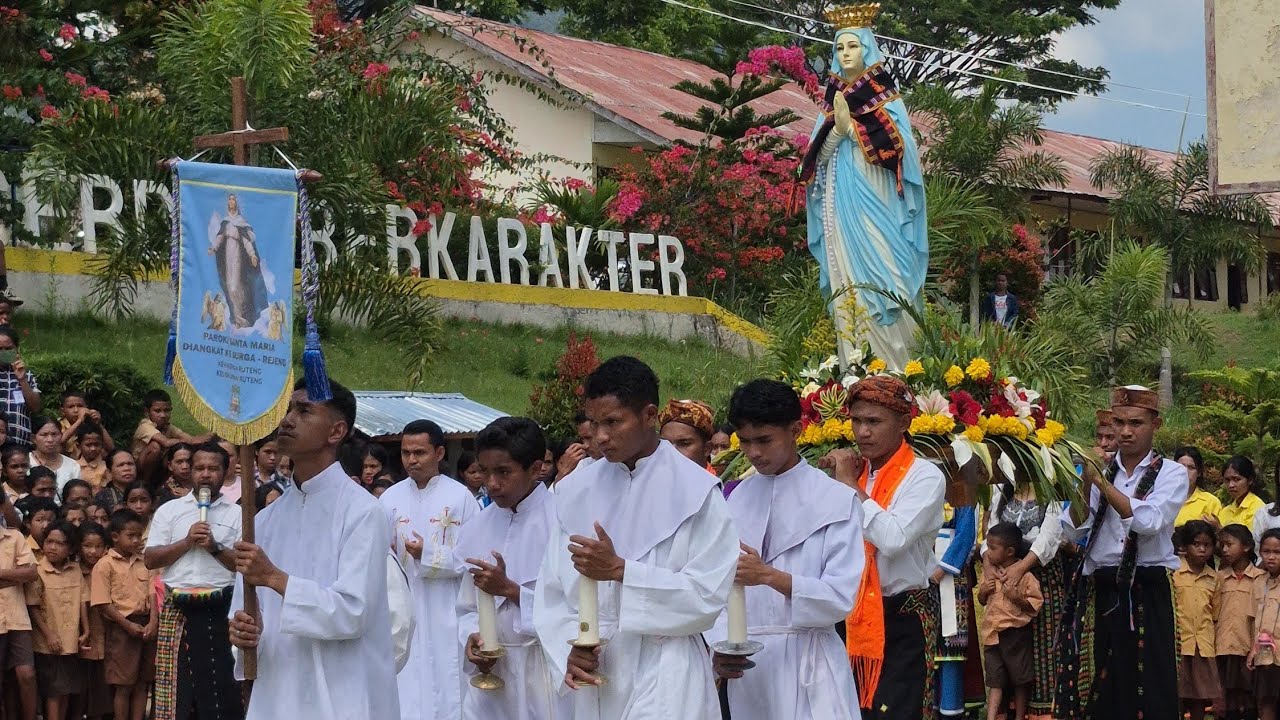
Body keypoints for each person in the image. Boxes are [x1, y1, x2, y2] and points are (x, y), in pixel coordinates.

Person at [533, 356, 738, 719]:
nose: (600, 437)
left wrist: (622, 571)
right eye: (594, 423)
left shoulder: (697, 492)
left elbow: (707, 596)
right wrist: (568, 646)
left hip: (666, 669)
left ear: (648, 415)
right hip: (597, 669)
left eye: (613, 422)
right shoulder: (575, 491)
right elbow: (552, 590)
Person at [228, 379, 399, 719]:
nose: (288, 420)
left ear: (336, 431)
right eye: (288, 409)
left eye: (304, 411)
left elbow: (353, 612)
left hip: (343, 688)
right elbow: (244, 611)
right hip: (279, 686)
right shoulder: (263, 520)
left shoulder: (363, 512)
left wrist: (276, 579)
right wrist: (244, 631)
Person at [708, 379, 862, 719]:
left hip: (810, 661)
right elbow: (714, 586)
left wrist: (770, 576)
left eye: (764, 440)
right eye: (745, 441)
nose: (754, 453)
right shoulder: (734, 499)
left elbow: (840, 596)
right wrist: (720, 645)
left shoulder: (835, 500)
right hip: (749, 668)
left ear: (795, 429)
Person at [800, 6, 927, 371]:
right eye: (839, 49)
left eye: (852, 47)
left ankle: (898, 372)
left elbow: (902, 157)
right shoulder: (832, 103)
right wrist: (838, 129)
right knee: (849, 285)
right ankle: (852, 371)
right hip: (842, 209)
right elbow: (814, 161)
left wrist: (852, 130)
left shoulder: (889, 101)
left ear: (868, 50)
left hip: (882, 206)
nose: (845, 55)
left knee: (888, 279)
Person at [1057, 385, 1189, 720]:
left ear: (1155, 424)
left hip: (1147, 587)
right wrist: (1086, 483)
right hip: (1102, 587)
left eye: (1136, 423)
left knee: (1150, 681)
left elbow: (1149, 521)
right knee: (1100, 681)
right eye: (1119, 422)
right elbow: (1073, 528)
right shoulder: (1096, 470)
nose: (1126, 431)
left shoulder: (1171, 472)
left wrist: (1101, 483)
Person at [821, 375, 946, 720]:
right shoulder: (857, 473)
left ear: (904, 423)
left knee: (895, 712)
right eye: (857, 421)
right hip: (851, 613)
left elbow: (892, 539)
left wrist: (847, 485)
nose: (862, 432)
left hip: (902, 617)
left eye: (874, 422)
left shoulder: (924, 476)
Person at [453, 417, 565, 720]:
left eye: (503, 472)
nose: (491, 484)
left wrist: (510, 590)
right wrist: (473, 638)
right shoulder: (477, 526)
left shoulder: (562, 522)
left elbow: (577, 609)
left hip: (543, 669)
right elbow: (466, 607)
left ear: (536, 468)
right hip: (491, 675)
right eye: (485, 471)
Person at [378, 418, 479, 720]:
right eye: (406, 452)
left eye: (419, 452)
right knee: (406, 682)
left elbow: (473, 558)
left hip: (446, 606)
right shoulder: (388, 499)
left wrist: (429, 555)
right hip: (402, 604)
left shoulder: (461, 497)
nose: (411, 460)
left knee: (445, 679)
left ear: (438, 453)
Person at [143, 441, 243, 720]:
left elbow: (244, 565)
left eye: (213, 468)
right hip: (178, 607)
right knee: (175, 688)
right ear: (189, 472)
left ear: (226, 472)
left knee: (221, 685)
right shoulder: (170, 511)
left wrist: (215, 547)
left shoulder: (237, 514)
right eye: (199, 468)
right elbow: (151, 559)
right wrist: (187, 542)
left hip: (222, 607)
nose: (205, 474)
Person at [981, 472, 1065, 720]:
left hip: (1041, 578)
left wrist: (1020, 567)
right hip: (1004, 575)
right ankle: (1003, 712)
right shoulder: (1004, 487)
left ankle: (1039, 713)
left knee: (1041, 647)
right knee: (1003, 644)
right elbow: (991, 530)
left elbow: (1050, 535)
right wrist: (988, 562)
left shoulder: (1053, 491)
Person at [91, 509, 156, 720]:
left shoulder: (145, 561)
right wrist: (128, 626)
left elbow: (154, 593)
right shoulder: (104, 565)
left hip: (146, 625)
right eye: (131, 535)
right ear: (115, 536)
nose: (137, 540)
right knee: (123, 684)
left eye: (140, 535)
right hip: (121, 628)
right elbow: (103, 603)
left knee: (142, 682)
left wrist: (153, 622)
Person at [978, 522, 1042, 720]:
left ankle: (1020, 716)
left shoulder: (1025, 576)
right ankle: (991, 716)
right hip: (992, 634)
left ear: (1010, 551)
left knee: (1020, 679)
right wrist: (984, 591)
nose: (987, 552)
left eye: (993, 548)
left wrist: (1016, 597)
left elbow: (1034, 605)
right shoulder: (990, 573)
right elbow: (981, 600)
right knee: (995, 680)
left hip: (1015, 634)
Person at [26, 521, 88, 720]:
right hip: (48, 644)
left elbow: (82, 601)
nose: (52, 547)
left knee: (66, 689)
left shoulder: (75, 570)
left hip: (70, 641)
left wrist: (86, 630)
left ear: (70, 548)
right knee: (54, 691)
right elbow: (33, 606)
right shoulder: (38, 571)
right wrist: (49, 634)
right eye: (49, 541)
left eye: (59, 543)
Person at [933, 500, 979, 719]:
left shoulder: (962, 492)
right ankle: (929, 707)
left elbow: (966, 532)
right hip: (922, 570)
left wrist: (942, 570)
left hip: (951, 575)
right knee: (927, 643)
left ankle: (950, 710)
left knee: (950, 647)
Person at [1174, 520, 1221, 720]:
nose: (1202, 549)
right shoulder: (1174, 572)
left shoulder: (1214, 578)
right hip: (1178, 642)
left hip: (1202, 645)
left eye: (1207, 545)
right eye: (1196, 544)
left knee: (1200, 696)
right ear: (1185, 546)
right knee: (1176, 692)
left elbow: (1215, 614)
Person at [1218, 523, 1262, 719]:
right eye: (1222, 545)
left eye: (1229, 544)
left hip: (1250, 646)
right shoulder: (1218, 578)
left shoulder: (1261, 578)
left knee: (1251, 695)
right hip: (1225, 645)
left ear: (1246, 547)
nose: (1224, 550)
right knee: (1230, 695)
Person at [0, 504, 38, 720]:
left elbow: (31, 573)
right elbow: (22, 573)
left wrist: (2, 574)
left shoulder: (14, 537)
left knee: (27, 675)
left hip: (17, 616)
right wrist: (14, 576)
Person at [78, 521, 111, 720]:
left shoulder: (108, 568)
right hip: (82, 635)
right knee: (83, 684)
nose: (92, 551)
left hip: (106, 635)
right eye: (87, 546)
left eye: (98, 546)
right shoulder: (75, 571)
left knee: (103, 685)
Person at [131, 390, 199, 485]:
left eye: (166, 410)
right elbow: (166, 442)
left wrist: (200, 440)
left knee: (177, 450)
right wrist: (191, 441)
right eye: (157, 411)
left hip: (158, 469)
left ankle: (164, 483)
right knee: (156, 447)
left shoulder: (167, 426)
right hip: (140, 469)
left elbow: (188, 439)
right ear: (147, 412)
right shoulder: (145, 425)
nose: (163, 415)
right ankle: (144, 483)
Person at [1249, 529, 1280, 720]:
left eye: (1277, 552)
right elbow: (1254, 620)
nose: (1271, 557)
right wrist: (1253, 648)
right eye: (1266, 552)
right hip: (1265, 654)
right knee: (1266, 701)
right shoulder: (1259, 582)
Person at [0, 327, 41, 449]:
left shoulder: (26, 375)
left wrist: (22, 380)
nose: (3, 353)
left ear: (16, 349)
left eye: (8, 349)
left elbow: (36, 408)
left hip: (20, 445)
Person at [657, 398, 716, 468]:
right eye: (666, 444)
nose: (673, 451)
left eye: (684, 444)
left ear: (707, 449)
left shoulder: (716, 479)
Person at [29, 417, 80, 497]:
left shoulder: (73, 465)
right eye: (44, 435)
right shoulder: (26, 462)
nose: (50, 440)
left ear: (61, 436)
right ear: (33, 438)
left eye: (54, 434)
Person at [1176, 447, 1222, 529]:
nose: (1185, 471)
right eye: (1180, 467)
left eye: (1191, 468)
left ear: (1199, 473)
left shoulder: (1210, 502)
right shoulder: (1162, 497)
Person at [57, 392, 112, 460]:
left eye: (80, 406)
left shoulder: (89, 424)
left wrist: (98, 424)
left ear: (86, 407)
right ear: (62, 411)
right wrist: (79, 421)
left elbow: (110, 448)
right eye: (71, 407)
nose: (76, 410)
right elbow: (60, 441)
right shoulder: (57, 425)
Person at [1215, 456, 1265, 530]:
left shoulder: (1258, 508)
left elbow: (1250, 539)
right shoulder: (1225, 511)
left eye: (1236, 479)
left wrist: (1219, 528)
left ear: (1250, 480)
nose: (1231, 485)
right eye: (1227, 480)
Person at [76, 423, 109, 491]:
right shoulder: (74, 467)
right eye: (88, 445)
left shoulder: (107, 467)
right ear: (78, 446)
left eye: (96, 444)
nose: (93, 448)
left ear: (102, 445)